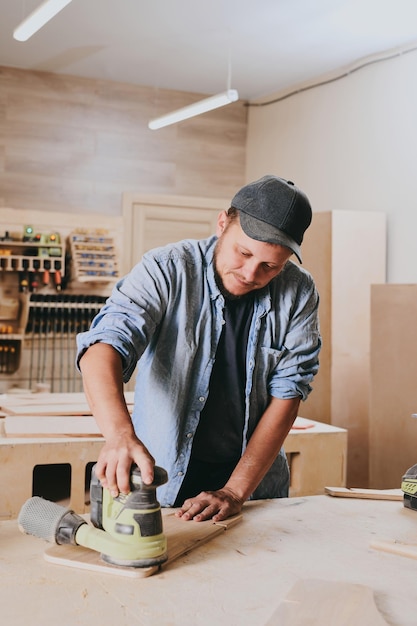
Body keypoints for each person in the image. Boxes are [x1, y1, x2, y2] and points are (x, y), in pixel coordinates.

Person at [76, 174, 321, 522]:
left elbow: (288, 394)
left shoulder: (298, 292)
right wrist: (119, 435)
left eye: (270, 266)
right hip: (161, 483)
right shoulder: (165, 269)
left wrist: (235, 491)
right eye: (244, 252)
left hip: (251, 492)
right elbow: (103, 346)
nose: (251, 273)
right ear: (223, 223)